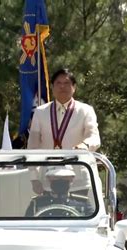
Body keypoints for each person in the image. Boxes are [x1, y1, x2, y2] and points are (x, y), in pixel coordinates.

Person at [27, 68, 101, 196]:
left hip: (79, 178)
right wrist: (34, 177)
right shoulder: (40, 112)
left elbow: (94, 136)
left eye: (66, 83)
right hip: (49, 178)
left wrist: (84, 146)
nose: (62, 87)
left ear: (74, 87)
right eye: (58, 83)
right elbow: (32, 146)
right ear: (52, 87)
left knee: (80, 214)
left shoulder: (86, 110)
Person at [25, 165, 93, 217]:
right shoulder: (36, 204)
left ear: (72, 179)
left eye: (65, 177)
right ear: (48, 178)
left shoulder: (83, 203)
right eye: (56, 177)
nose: (60, 180)